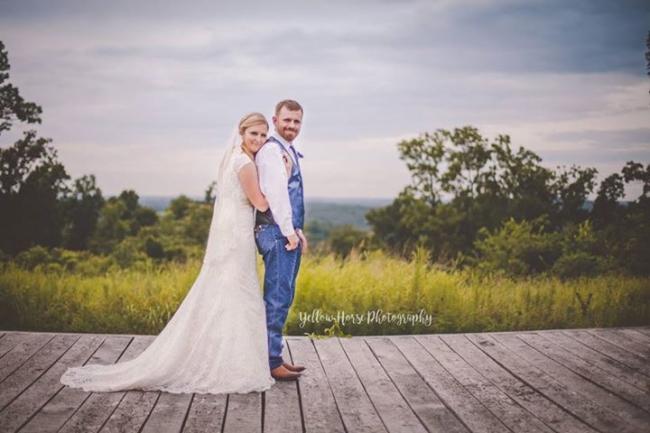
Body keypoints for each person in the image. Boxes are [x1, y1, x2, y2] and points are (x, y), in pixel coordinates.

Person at [59, 113, 276, 394]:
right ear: (242, 133)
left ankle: (226, 357)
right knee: (238, 292)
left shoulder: (234, 157)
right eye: (254, 134)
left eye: (263, 135)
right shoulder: (245, 163)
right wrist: (278, 181)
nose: (258, 140)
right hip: (237, 234)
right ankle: (230, 365)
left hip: (231, 230)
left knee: (227, 292)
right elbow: (259, 201)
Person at [255, 99, 308, 381]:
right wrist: (289, 232)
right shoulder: (272, 151)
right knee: (277, 298)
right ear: (275, 121)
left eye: (297, 121)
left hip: (285, 231)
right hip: (276, 233)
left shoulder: (286, 150)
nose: (291, 126)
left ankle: (275, 356)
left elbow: (290, 195)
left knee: (283, 296)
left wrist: (297, 229)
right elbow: (277, 195)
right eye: (286, 120)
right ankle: (270, 361)